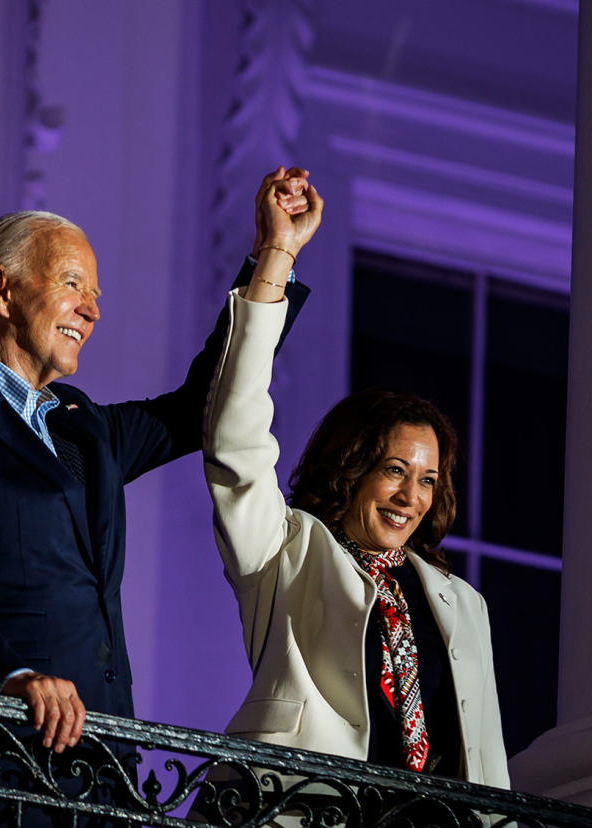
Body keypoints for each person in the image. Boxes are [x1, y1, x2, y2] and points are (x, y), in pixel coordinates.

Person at [0, 168, 315, 824]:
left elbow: (198, 408)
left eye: (95, 295)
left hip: (93, 776)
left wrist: (276, 255)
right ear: (3, 288)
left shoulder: (82, 424)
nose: (92, 310)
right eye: (72, 285)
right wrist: (10, 676)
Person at [199, 183, 508, 816]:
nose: (411, 497)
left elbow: (489, 766)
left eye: (427, 480)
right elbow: (235, 438)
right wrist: (275, 259)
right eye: (394, 470)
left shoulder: (464, 607)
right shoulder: (286, 555)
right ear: (350, 467)